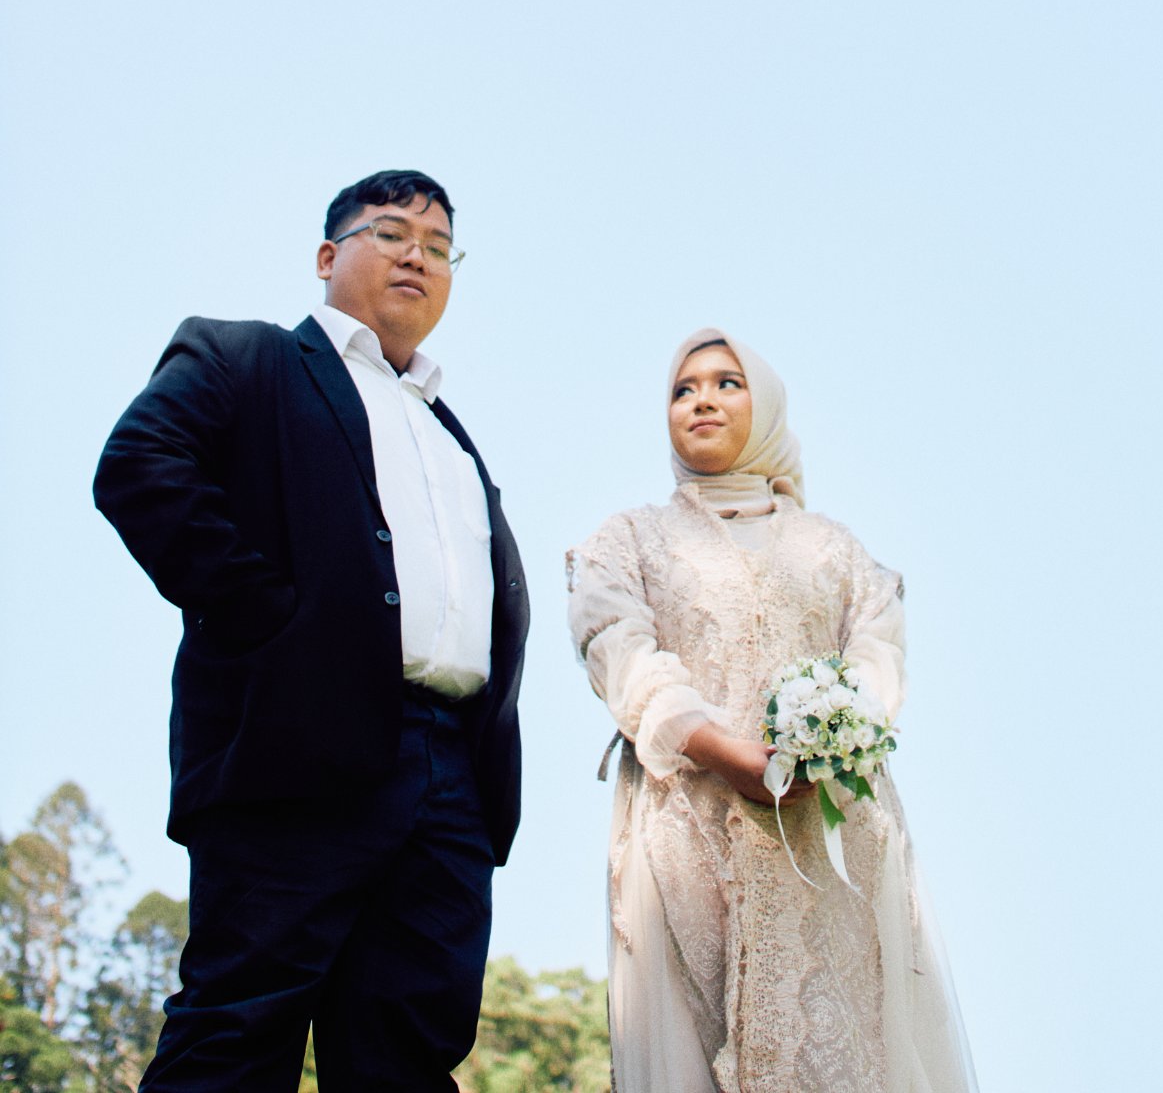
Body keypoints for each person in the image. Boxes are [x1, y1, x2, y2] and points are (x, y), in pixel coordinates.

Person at [94, 169, 529, 1093]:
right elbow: (140, 466)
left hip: (450, 778)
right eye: (392, 232)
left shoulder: (450, 432)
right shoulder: (244, 358)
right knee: (238, 1033)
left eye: (440, 247)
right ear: (329, 255)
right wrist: (269, 622)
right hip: (293, 743)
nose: (418, 255)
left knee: (409, 1054)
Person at [566, 327, 979, 1093]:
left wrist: (829, 743)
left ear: (766, 404)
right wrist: (720, 749)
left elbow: (878, 658)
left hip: (828, 842)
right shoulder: (627, 540)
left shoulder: (835, 550)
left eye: (727, 383)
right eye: (683, 390)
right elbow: (617, 648)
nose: (702, 401)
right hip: (689, 834)